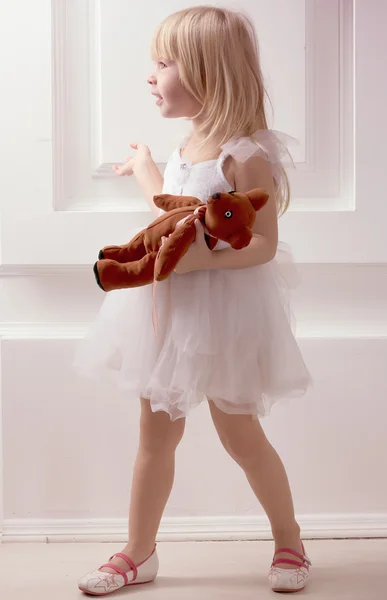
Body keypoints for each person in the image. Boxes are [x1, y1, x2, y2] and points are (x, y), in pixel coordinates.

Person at [76, 6, 312, 596]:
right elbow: (173, 211)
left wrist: (207, 259)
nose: (151, 76)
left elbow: (263, 244)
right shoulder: (188, 145)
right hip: (169, 315)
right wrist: (146, 167)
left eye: (163, 63)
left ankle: (290, 539)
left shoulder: (242, 153)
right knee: (154, 437)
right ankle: (138, 551)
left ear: (208, 70)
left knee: (241, 436)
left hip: (224, 318)